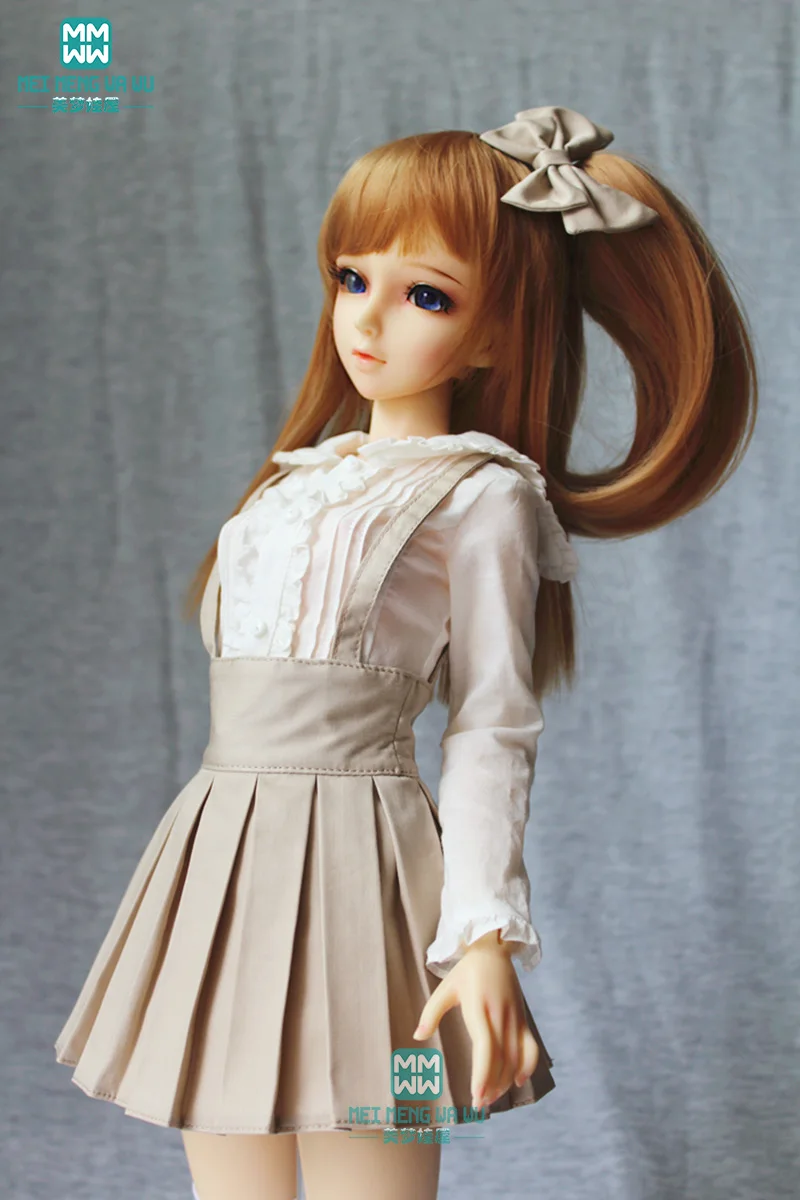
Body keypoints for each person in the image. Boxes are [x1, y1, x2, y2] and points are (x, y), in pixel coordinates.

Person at [54, 106, 758, 1200]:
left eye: (426, 294)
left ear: (493, 334)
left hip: (367, 891)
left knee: (376, 1147)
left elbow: (491, 725)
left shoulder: (483, 498)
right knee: (225, 1169)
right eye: (352, 278)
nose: (369, 318)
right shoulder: (296, 483)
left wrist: (483, 939)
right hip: (216, 869)